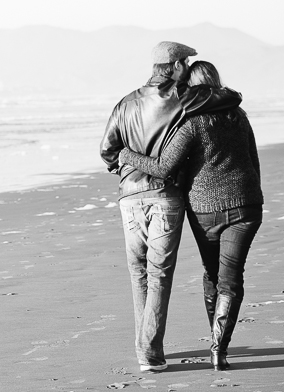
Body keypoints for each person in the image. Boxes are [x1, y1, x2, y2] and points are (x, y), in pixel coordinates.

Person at [99, 41, 242, 373]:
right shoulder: (186, 101)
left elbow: (108, 151)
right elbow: (228, 97)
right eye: (187, 63)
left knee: (139, 276)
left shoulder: (125, 103)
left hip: (129, 197)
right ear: (177, 66)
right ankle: (149, 353)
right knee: (158, 275)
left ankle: (146, 347)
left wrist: (126, 166)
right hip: (165, 196)